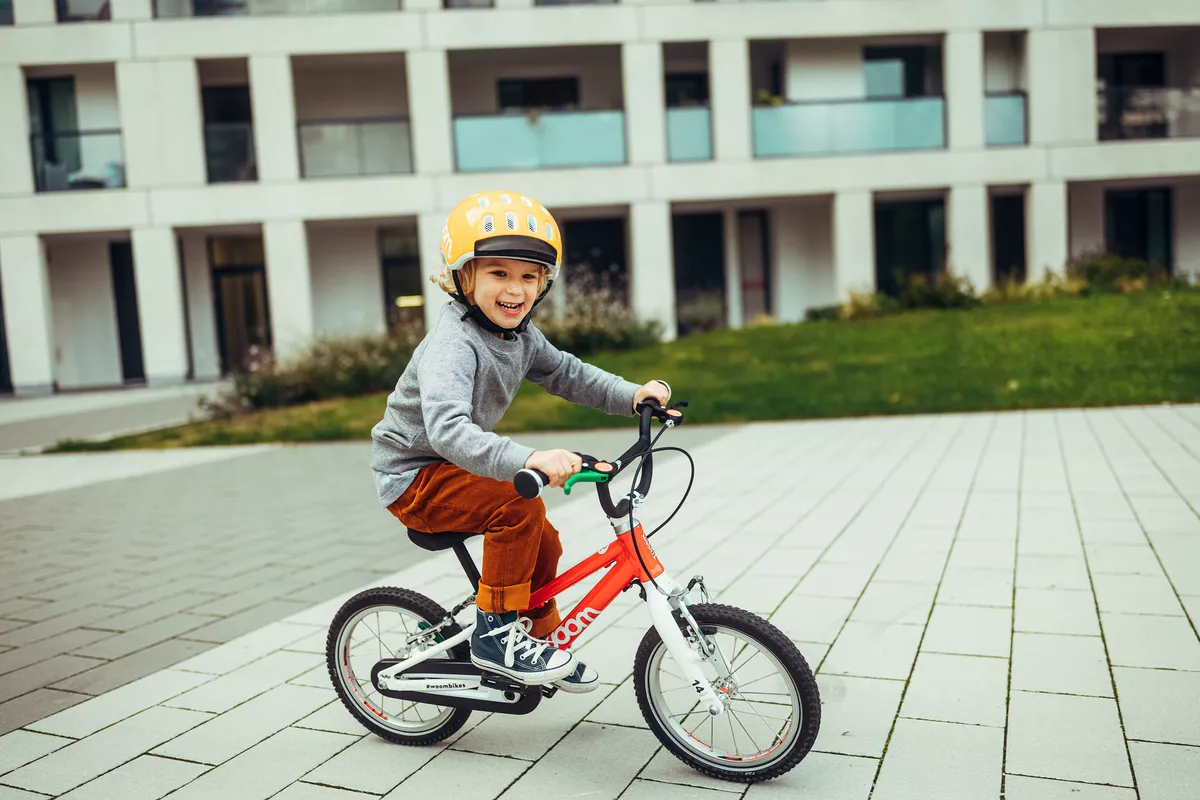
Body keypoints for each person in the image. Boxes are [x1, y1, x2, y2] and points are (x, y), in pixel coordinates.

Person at [371, 191, 670, 693]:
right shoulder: (452, 344)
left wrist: (633, 395)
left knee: (543, 537)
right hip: (414, 478)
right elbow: (447, 430)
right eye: (498, 273)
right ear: (463, 277)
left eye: (529, 276)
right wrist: (529, 458)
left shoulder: (520, 335)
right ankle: (496, 638)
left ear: (543, 284)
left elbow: (566, 373)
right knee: (518, 507)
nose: (515, 289)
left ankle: (530, 632)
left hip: (455, 467)